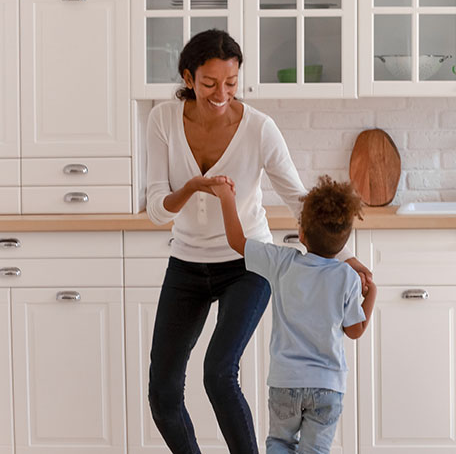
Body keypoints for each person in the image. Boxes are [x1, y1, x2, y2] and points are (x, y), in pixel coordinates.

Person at [145, 29, 369, 454]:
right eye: (210, 83)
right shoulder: (163, 120)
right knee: (162, 393)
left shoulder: (259, 128)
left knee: (218, 372)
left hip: (247, 265)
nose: (221, 93)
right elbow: (158, 208)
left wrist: (346, 257)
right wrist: (193, 186)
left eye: (231, 83)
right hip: (186, 263)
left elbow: (299, 198)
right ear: (188, 78)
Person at [211, 174, 376, 454]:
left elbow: (237, 241)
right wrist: (371, 293)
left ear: (301, 233)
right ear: (346, 239)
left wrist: (226, 198)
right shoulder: (347, 277)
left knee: (279, 444)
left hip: (285, 382)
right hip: (327, 386)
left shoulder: (282, 263)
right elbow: (355, 330)